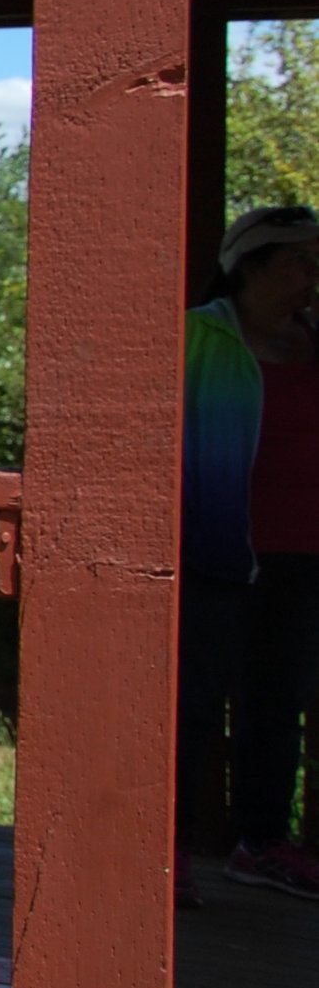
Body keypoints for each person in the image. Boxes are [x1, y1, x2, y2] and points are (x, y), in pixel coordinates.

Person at [179, 206, 319, 907]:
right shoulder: (198, 337)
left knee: (277, 703)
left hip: (303, 554)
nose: (309, 279)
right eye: (296, 262)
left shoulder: (313, 342)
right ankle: (166, 850)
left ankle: (261, 843)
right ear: (250, 269)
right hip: (218, 549)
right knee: (193, 703)